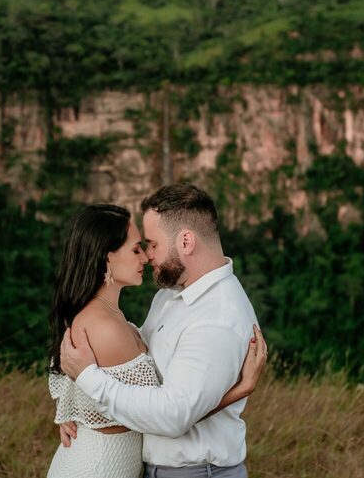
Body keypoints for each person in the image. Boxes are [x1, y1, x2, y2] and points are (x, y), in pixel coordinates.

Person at [47, 201, 266, 478]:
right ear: (107, 257)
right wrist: (239, 390)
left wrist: (77, 404)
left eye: (149, 244)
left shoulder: (212, 314)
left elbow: (167, 410)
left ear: (186, 241)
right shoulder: (116, 321)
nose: (146, 257)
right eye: (138, 248)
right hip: (99, 467)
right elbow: (167, 414)